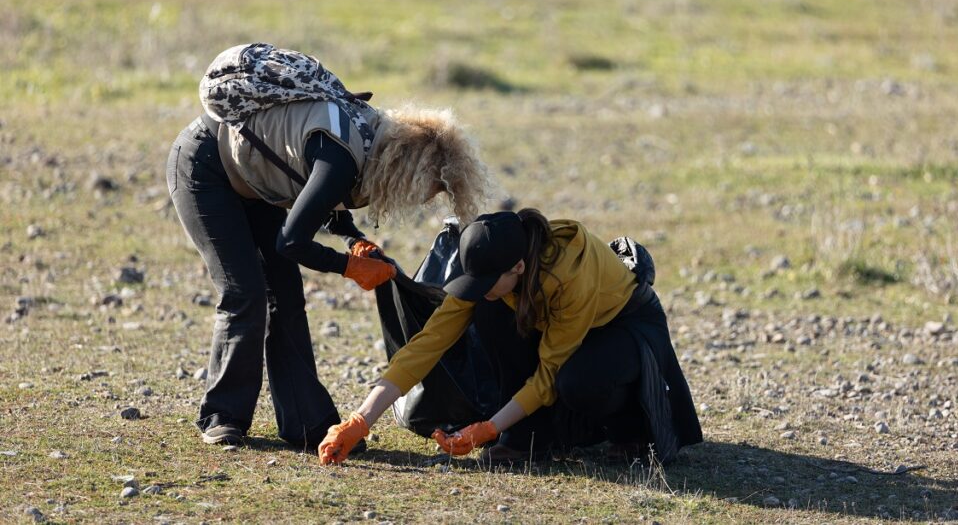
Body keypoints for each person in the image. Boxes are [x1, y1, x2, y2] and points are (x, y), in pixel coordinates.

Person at [166, 44, 488, 449]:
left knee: (286, 295)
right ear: (409, 169)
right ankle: (222, 416)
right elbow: (292, 241)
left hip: (257, 183)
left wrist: (354, 241)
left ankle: (307, 423)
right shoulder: (342, 155)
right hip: (204, 167)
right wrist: (348, 267)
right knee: (244, 292)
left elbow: (317, 193)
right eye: (431, 188)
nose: (424, 199)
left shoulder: (371, 135)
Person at [318, 209, 702, 466]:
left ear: (518, 267)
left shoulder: (568, 275)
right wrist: (359, 421)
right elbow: (427, 344)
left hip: (623, 325)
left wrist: (489, 428)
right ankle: (527, 439)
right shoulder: (495, 269)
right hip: (564, 326)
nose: (479, 288)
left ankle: (628, 429)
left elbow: (549, 375)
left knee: (577, 382)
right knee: (488, 310)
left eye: (487, 282)